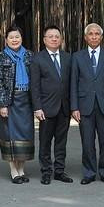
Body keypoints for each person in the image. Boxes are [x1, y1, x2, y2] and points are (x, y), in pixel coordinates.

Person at [71, 23, 104, 185]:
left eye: (97, 34)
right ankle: (89, 173)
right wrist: (74, 107)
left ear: (101, 37)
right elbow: (73, 83)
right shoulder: (77, 57)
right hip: (84, 106)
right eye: (90, 34)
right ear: (85, 37)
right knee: (87, 143)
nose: (94, 36)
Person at [29, 25, 73, 185]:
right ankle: (46, 171)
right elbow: (34, 86)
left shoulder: (68, 58)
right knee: (45, 142)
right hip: (46, 108)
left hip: (64, 107)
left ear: (61, 39)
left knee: (61, 142)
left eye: (57, 36)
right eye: (51, 36)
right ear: (44, 40)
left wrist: (73, 106)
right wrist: (37, 107)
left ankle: (59, 171)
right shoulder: (37, 59)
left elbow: (72, 84)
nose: (54, 39)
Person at [0, 25, 35, 184]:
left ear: (21, 38)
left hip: (26, 100)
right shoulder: (1, 57)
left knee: (25, 134)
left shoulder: (29, 55)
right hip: (10, 100)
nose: (14, 40)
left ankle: (22, 169)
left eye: (17, 37)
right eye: (11, 37)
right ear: (6, 40)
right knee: (9, 135)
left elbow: (35, 79)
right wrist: (3, 104)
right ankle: (13, 170)